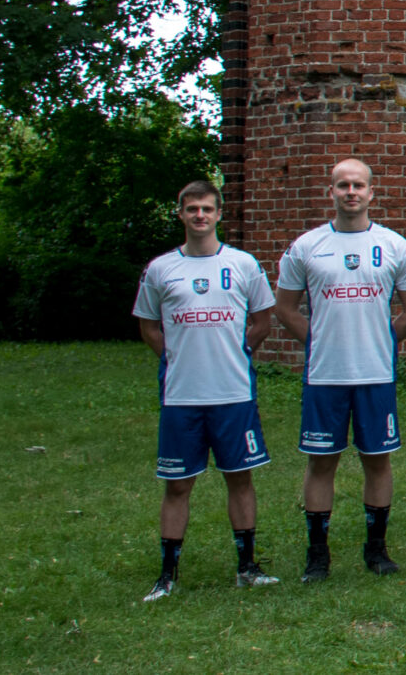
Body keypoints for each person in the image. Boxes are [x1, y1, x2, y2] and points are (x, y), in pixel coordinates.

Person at [274, 158, 406, 582]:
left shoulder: (395, 246)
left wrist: (379, 339)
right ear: (332, 192)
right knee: (321, 462)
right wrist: (320, 339)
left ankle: (376, 550)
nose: (351, 192)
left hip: (375, 374)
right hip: (325, 376)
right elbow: (284, 309)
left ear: (371, 192)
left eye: (358, 185)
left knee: (377, 460)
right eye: (343, 185)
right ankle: (317, 555)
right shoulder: (307, 246)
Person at [135, 179, 277, 600]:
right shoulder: (161, 269)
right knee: (177, 485)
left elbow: (264, 320)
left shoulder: (243, 264)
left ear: (219, 214)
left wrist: (237, 351)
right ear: (180, 214)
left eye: (207, 209)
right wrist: (175, 356)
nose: (199, 216)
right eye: (192, 209)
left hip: (233, 394)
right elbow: (148, 326)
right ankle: (167, 574)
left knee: (240, 478)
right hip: (182, 397)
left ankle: (247, 567)